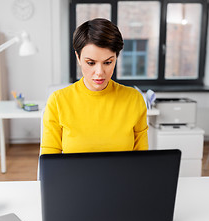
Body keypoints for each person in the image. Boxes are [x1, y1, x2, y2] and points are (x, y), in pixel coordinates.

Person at [41, 18, 148, 154]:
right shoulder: (58, 101)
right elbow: (50, 161)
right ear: (78, 58)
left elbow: (142, 159)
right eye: (91, 63)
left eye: (108, 62)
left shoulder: (134, 99)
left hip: (122, 176)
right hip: (75, 176)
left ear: (116, 58)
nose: (99, 72)